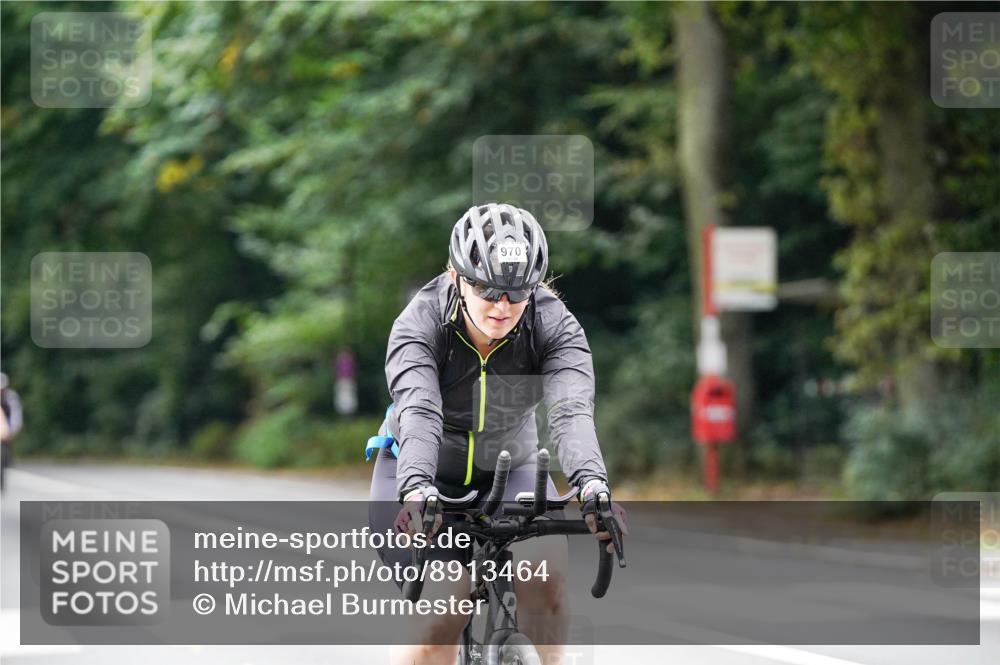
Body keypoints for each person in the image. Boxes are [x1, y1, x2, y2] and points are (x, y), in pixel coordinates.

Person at [367, 203, 627, 665]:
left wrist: (592, 483)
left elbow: (570, 411)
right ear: (455, 277)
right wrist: (417, 489)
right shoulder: (419, 324)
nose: (502, 306)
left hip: (514, 466)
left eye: (517, 291)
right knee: (442, 610)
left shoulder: (554, 325)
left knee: (546, 578)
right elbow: (420, 410)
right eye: (486, 290)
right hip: (422, 471)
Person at [1, 372, 24, 492]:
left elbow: (16, 415)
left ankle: (7, 458)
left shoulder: (11, 397)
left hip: (6, 426)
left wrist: (13, 431)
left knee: (6, 446)